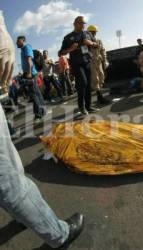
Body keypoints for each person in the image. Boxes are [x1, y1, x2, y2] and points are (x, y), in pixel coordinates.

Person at [0, 11, 85, 249]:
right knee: (8, 178)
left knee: (9, 168)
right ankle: (58, 234)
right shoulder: (28, 52)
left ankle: (22, 214)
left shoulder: (26, 50)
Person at [60, 16, 97, 115]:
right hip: (76, 64)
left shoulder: (88, 34)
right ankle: (82, 107)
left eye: (84, 23)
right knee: (83, 83)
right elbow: (60, 53)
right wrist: (70, 49)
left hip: (87, 62)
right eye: (80, 23)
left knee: (88, 84)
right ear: (75, 24)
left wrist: (91, 43)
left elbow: (96, 44)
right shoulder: (68, 37)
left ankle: (88, 106)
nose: (83, 25)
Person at [16, 36, 46, 120]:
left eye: (18, 41)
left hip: (31, 74)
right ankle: (41, 111)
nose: (16, 43)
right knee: (35, 93)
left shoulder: (27, 47)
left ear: (23, 40)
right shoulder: (23, 50)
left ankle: (39, 114)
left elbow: (29, 61)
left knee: (34, 94)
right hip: (28, 73)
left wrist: (29, 73)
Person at [87, 25, 110, 105]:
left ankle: (99, 95)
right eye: (92, 32)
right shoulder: (86, 41)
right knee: (95, 79)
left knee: (101, 77)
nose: (94, 33)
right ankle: (100, 97)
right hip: (91, 62)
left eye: (94, 32)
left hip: (99, 61)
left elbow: (102, 50)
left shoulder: (98, 40)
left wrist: (104, 60)